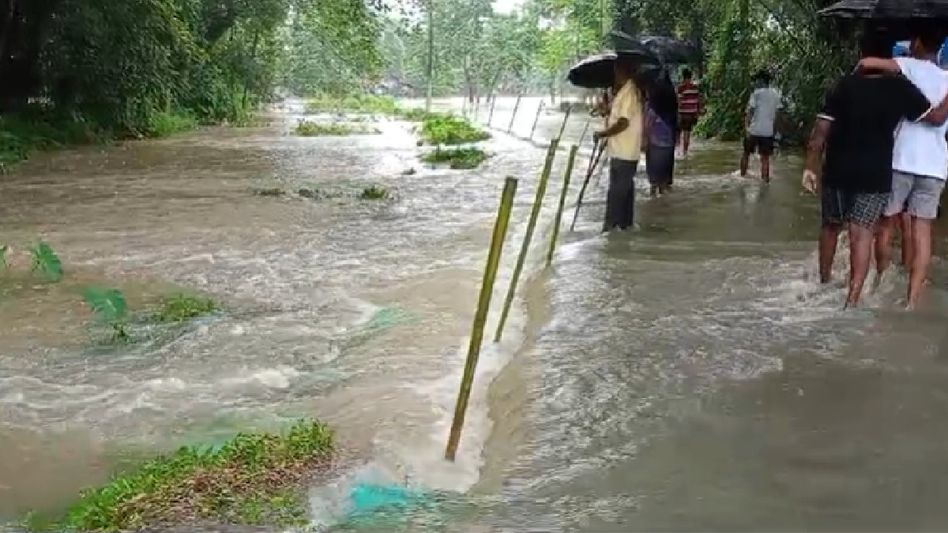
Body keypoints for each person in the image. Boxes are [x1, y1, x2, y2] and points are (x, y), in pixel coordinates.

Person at [802, 32, 948, 308]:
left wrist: (810, 168)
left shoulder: (842, 85)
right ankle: (853, 299)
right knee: (863, 232)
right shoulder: (900, 88)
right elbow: (937, 118)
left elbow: (819, 134)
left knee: (831, 226)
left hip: (837, 170)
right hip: (877, 173)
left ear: (862, 52)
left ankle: (823, 281)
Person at [858, 28, 948, 309]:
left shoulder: (908, 65)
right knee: (923, 232)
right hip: (935, 165)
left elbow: (869, 63)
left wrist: (890, 67)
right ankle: (911, 302)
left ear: (918, 43)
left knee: (886, 224)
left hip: (902, 159)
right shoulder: (947, 78)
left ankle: (881, 282)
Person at [594, 57, 644, 232]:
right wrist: (605, 111)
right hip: (621, 149)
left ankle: (610, 227)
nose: (614, 74)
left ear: (622, 71)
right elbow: (618, 117)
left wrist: (603, 133)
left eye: (616, 70)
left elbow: (623, 123)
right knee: (625, 189)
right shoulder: (623, 92)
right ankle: (625, 225)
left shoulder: (629, 92)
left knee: (616, 191)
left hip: (625, 150)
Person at [741, 71, 782, 182]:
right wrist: (775, 131)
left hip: (754, 130)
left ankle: (742, 177)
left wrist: (746, 128)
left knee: (746, 154)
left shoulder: (756, 93)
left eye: (757, 80)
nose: (755, 83)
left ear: (761, 81)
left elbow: (750, 112)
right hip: (768, 131)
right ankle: (765, 180)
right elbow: (778, 115)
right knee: (765, 158)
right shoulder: (776, 94)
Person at [645, 72, 679, 196]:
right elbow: (676, 122)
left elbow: (648, 124)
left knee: (654, 180)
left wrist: (644, 139)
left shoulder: (652, 104)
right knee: (665, 180)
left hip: (654, 143)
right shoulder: (672, 102)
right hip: (668, 142)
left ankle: (654, 199)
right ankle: (664, 201)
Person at [676, 68, 702, 156]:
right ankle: (685, 152)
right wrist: (697, 112)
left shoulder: (681, 88)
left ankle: (678, 151)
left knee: (678, 132)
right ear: (690, 76)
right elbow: (698, 101)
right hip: (692, 114)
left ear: (683, 77)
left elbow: (679, 102)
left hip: (682, 113)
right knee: (687, 133)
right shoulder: (695, 87)